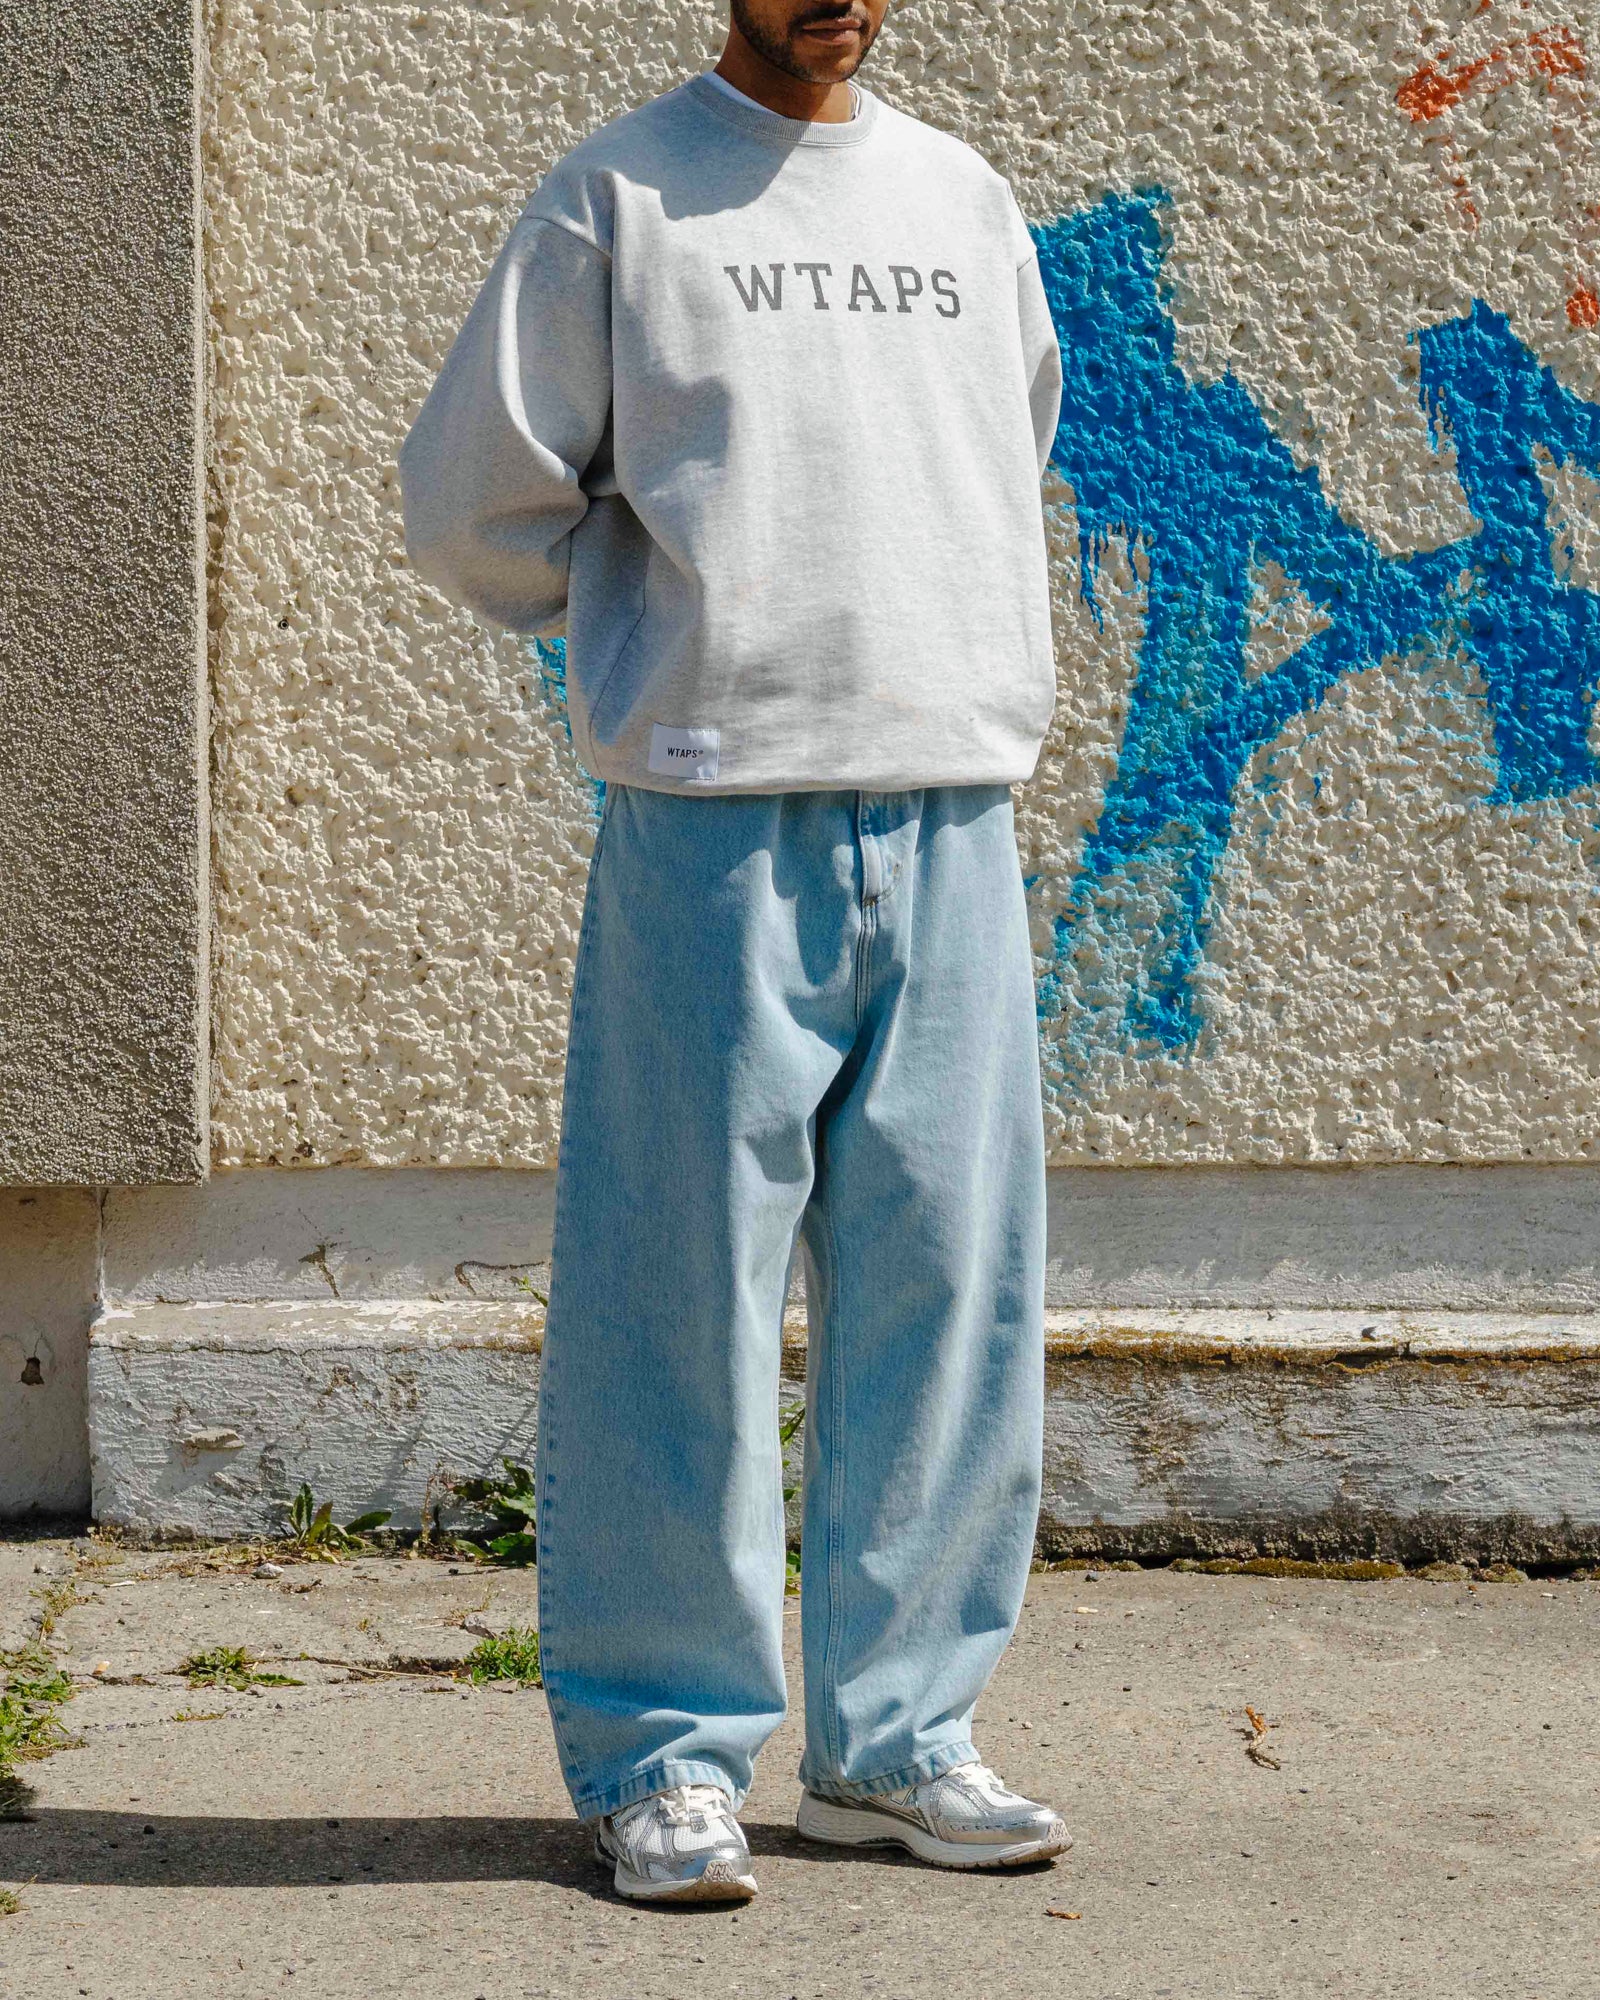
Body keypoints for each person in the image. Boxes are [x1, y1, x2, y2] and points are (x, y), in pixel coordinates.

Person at [400, 0, 1068, 1906]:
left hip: (951, 803)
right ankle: (661, 1756)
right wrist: (656, 635)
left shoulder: (962, 199)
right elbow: (472, 503)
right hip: (711, 813)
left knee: (950, 1298)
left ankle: (897, 1743)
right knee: (676, 1297)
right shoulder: (618, 199)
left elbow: (1003, 447)